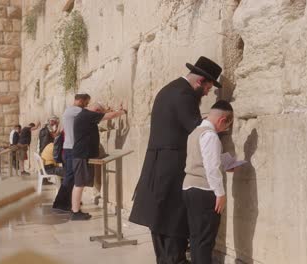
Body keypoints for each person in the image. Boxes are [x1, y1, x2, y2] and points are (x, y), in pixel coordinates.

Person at [129, 56, 223, 263]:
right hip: (171, 166)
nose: (208, 92)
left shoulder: (170, 89)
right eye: (208, 87)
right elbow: (197, 130)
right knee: (172, 218)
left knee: (161, 217)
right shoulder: (184, 94)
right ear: (200, 81)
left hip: (160, 163)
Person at [182, 100, 233, 264]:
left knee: (196, 238)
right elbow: (211, 168)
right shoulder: (210, 135)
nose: (224, 130)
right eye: (226, 126)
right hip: (204, 191)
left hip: (189, 188)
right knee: (205, 241)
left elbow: (202, 160)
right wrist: (221, 193)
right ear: (222, 120)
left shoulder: (195, 132)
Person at [70, 102, 127, 220]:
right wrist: (123, 112)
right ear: (96, 110)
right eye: (99, 112)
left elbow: (104, 114)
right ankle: (75, 212)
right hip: (81, 155)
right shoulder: (88, 115)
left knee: (79, 183)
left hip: (82, 154)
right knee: (79, 184)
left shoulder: (85, 115)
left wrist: (110, 110)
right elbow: (108, 117)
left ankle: (76, 210)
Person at [52, 94, 91, 212]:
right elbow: (91, 112)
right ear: (80, 100)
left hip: (68, 149)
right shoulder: (76, 110)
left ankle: (64, 202)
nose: (87, 104)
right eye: (86, 102)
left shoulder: (68, 111)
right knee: (70, 178)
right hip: (72, 149)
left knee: (70, 177)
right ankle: (61, 203)